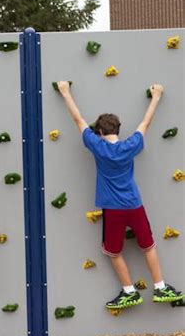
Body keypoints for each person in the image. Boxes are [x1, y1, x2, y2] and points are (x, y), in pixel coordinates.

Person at [56, 81, 183, 309]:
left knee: (113, 252)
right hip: (134, 204)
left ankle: (129, 291)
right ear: (118, 130)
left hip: (113, 208)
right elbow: (146, 123)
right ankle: (161, 286)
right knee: (149, 245)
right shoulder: (130, 145)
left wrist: (65, 92)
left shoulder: (97, 145)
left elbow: (78, 120)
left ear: (101, 132)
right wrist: (156, 96)